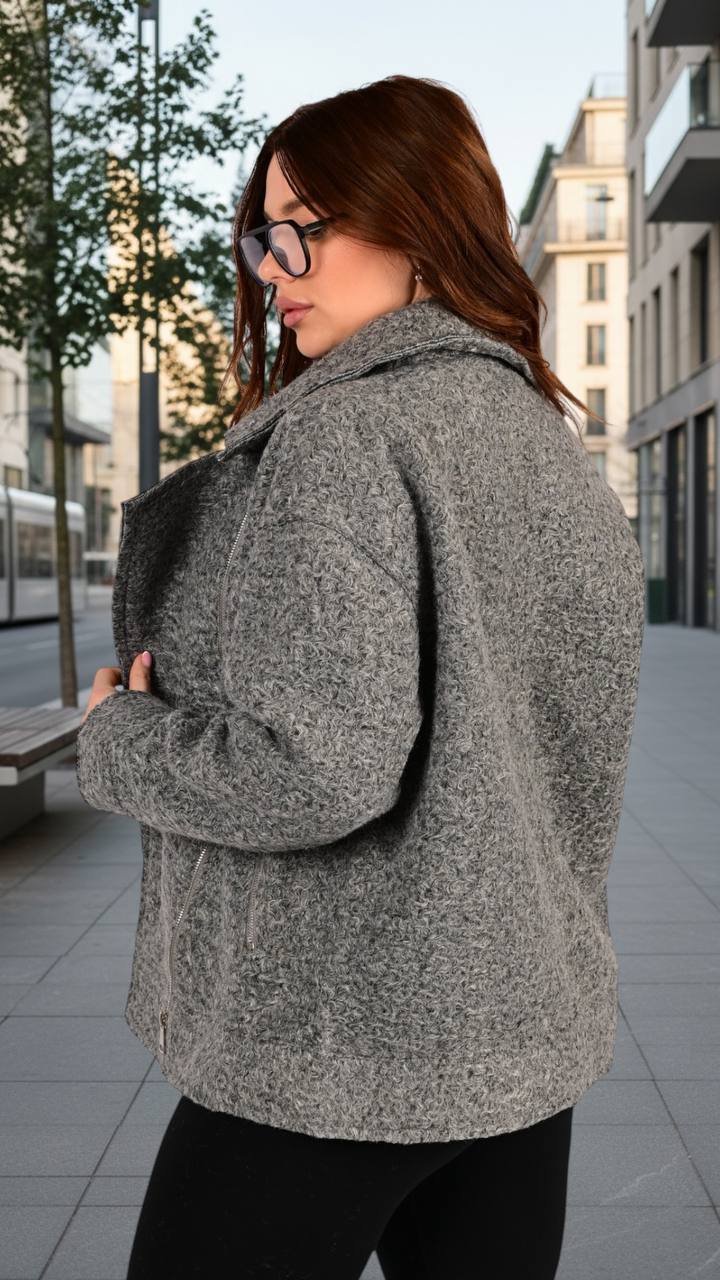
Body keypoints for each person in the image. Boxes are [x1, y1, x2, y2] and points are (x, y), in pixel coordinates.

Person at [76, 74, 645, 1279]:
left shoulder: (347, 434)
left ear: (418, 219)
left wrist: (121, 736)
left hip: (335, 1041)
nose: (271, 268)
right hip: (517, 1027)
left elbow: (315, 771)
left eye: (304, 229)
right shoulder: (545, 442)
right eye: (260, 235)